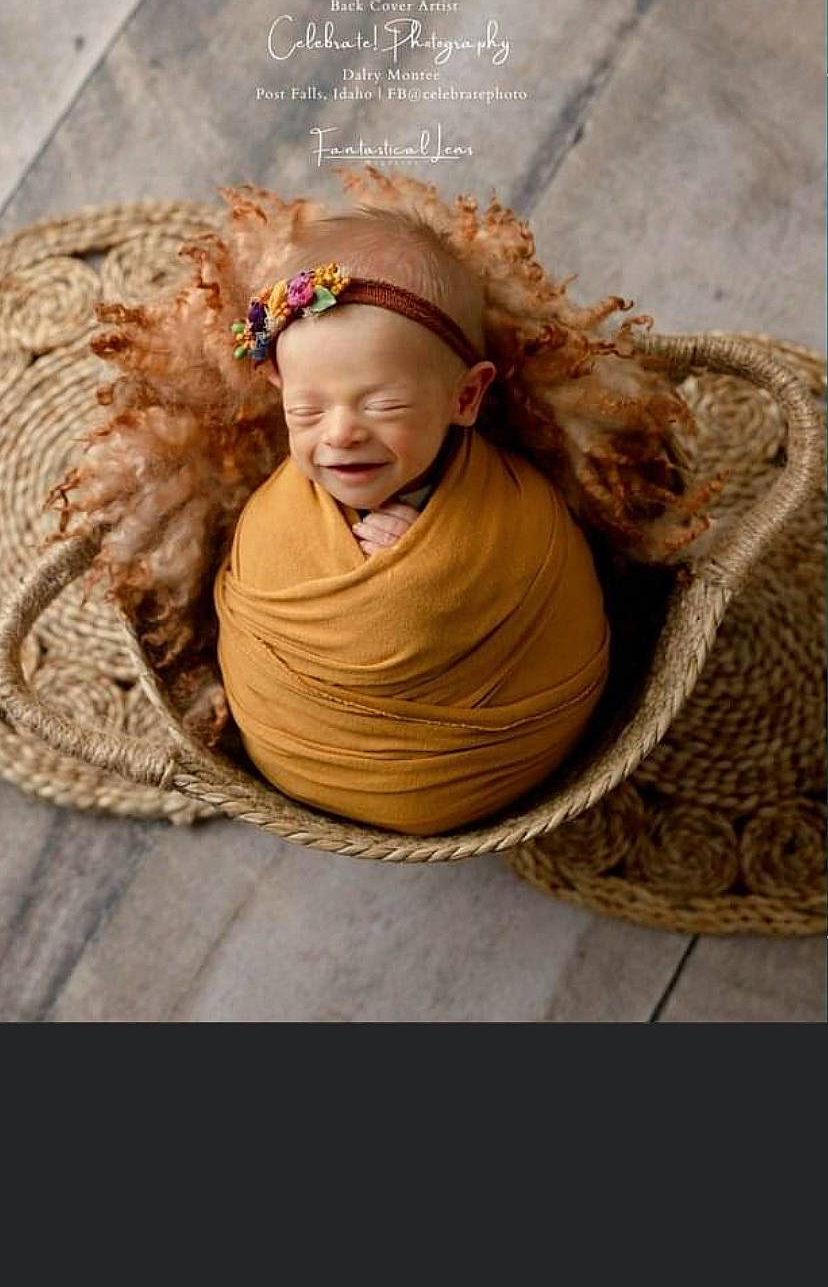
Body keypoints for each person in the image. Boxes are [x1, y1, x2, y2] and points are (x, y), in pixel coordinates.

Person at [47, 167, 728, 833]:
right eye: (307, 409)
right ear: (278, 391)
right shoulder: (272, 510)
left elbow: (540, 580)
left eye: (383, 404)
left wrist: (434, 575)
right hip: (304, 750)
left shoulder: (518, 499)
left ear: (466, 396)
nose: (341, 433)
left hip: (501, 754)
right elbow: (247, 595)